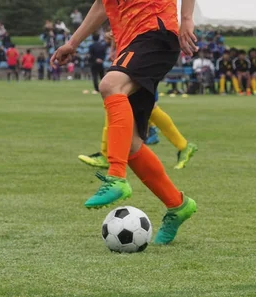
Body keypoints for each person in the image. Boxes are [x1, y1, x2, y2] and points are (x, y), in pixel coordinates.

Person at [51, 0, 198, 245]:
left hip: (156, 32)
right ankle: (178, 204)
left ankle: (116, 177)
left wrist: (187, 19)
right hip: (132, 43)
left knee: (110, 85)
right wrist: (72, 43)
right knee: (129, 143)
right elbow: (102, 5)